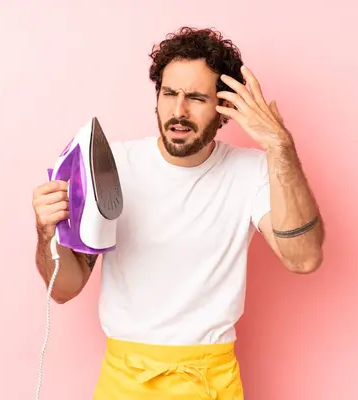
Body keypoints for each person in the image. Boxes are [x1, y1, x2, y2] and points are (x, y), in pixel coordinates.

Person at [32, 26, 325, 399]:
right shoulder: (112, 167)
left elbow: (304, 258)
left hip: (209, 382)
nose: (178, 110)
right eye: (169, 93)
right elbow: (64, 288)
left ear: (224, 110)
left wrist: (280, 145)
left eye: (197, 98)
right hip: (125, 381)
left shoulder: (253, 172)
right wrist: (46, 235)